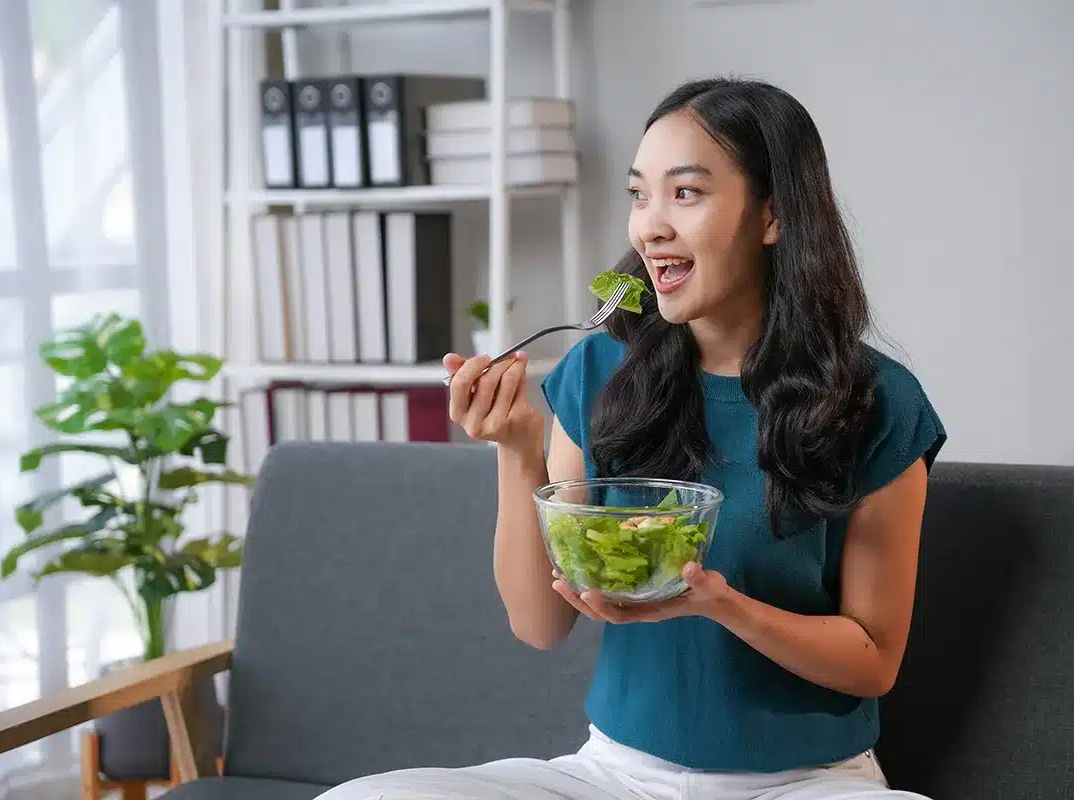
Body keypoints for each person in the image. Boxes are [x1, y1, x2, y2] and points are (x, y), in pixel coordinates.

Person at [315, 76, 947, 800]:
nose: (649, 226)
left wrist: (720, 603)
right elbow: (538, 623)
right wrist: (517, 450)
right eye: (638, 194)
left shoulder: (877, 400)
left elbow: (873, 660)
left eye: (686, 193)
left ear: (772, 216)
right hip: (615, 777)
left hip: (806, 784)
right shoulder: (600, 367)